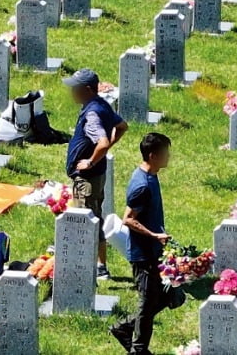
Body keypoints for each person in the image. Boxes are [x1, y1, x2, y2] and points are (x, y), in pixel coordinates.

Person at [63, 68, 129, 280]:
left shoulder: (92, 113)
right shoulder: (101, 105)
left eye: (75, 88)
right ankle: (100, 266)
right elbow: (121, 126)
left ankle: (87, 268)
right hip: (96, 176)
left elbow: (102, 141)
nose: (72, 91)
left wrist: (91, 161)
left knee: (84, 222)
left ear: (87, 90)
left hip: (88, 180)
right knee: (95, 219)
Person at [110, 133, 173, 355]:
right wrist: (154, 235)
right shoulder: (142, 185)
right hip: (143, 254)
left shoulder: (151, 177)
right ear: (153, 156)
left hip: (154, 251)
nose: (169, 157)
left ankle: (124, 328)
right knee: (147, 304)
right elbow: (128, 219)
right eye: (165, 153)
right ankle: (138, 349)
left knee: (169, 296)